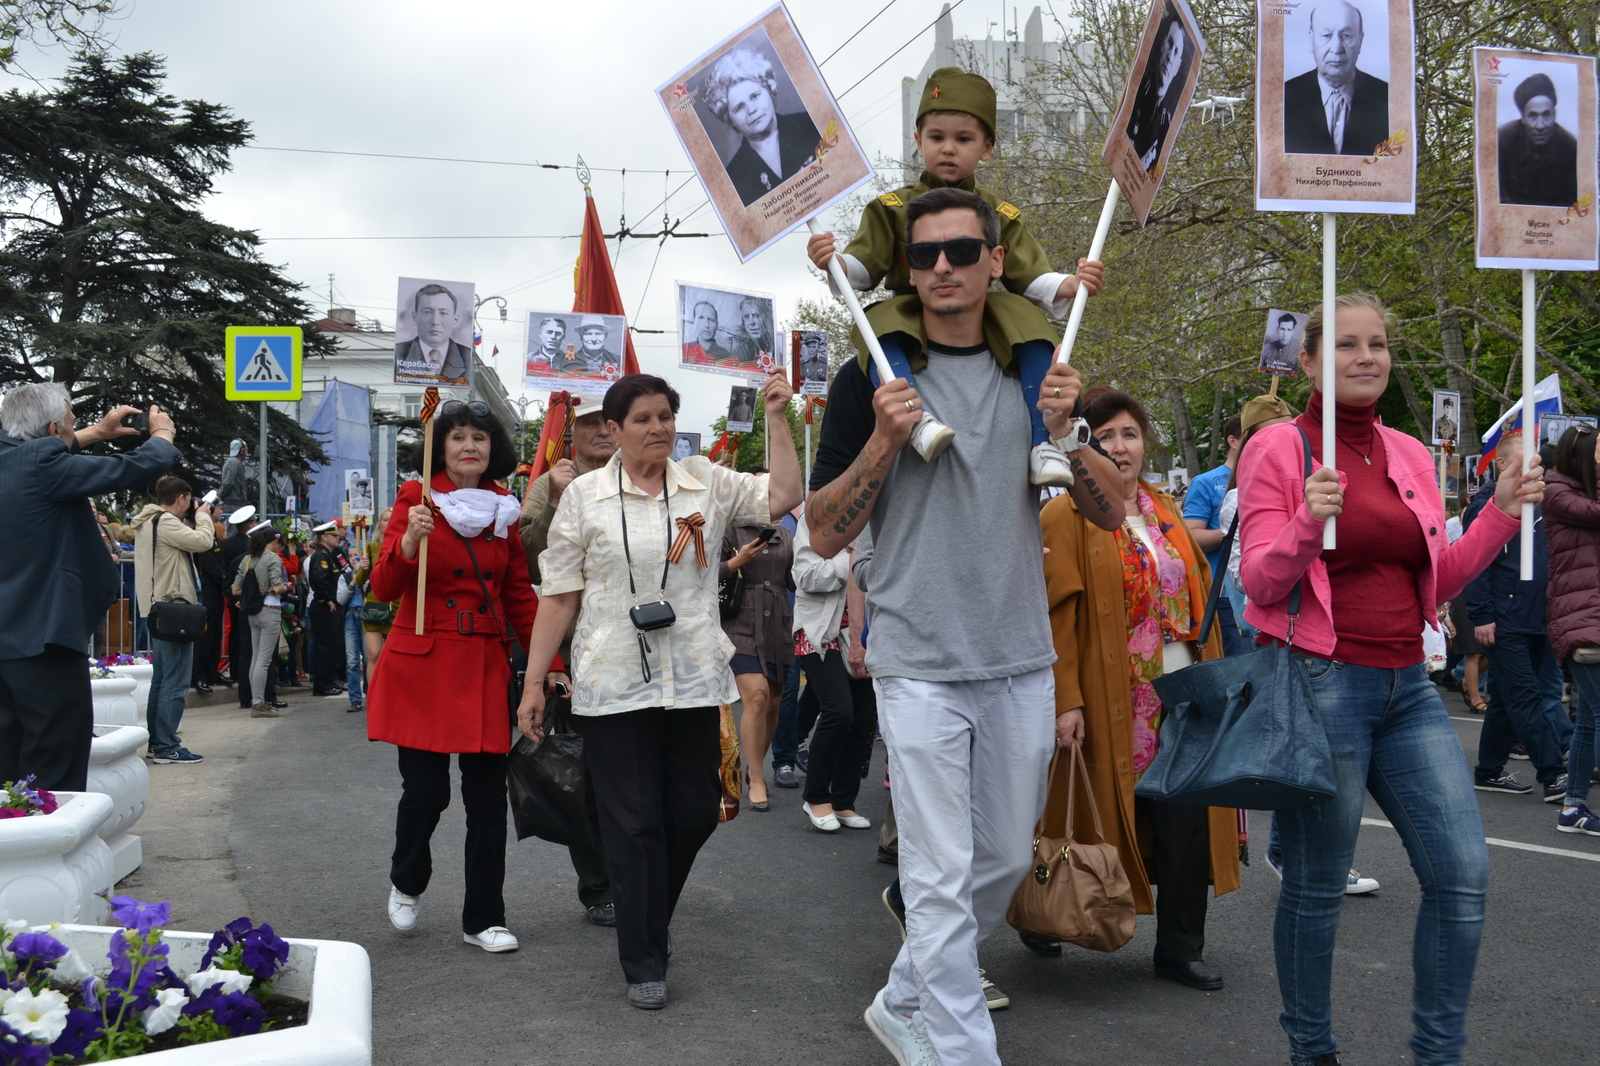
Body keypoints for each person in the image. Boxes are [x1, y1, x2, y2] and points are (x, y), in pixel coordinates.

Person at [805, 187, 1125, 1066]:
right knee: (938, 879)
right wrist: (881, 440)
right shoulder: (869, 373)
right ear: (905, 268)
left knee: (998, 867)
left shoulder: (1036, 367)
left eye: (960, 251)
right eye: (923, 254)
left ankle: (905, 996)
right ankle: (960, 1050)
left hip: (1020, 658)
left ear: (995, 261)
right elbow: (824, 530)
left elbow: (1108, 511)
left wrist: (1070, 430)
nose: (941, 267)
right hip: (915, 660)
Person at [1235, 291, 1544, 1066]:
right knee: (1315, 885)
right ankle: (1312, 1051)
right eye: (1345, 345)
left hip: (1409, 686)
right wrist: (1309, 521)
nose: (1366, 356)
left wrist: (1500, 513)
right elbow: (1261, 586)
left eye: (1376, 344)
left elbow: (1437, 579)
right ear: (1307, 362)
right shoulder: (1278, 449)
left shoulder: (1408, 450)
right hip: (1319, 684)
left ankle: (1437, 1052)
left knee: (1463, 875)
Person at [516, 369, 803, 1009]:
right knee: (633, 822)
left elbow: (783, 494)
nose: (658, 429)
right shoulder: (583, 498)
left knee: (695, 811)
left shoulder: (706, 481)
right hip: (612, 679)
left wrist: (778, 418)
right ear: (612, 430)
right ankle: (645, 954)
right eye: (642, 419)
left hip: (695, 678)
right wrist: (536, 682)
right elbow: (559, 596)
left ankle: (646, 911)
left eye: (665, 416)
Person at [805, 67, 1104, 488]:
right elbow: (864, 265)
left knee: (1030, 323)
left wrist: (1069, 284)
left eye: (963, 139)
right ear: (918, 141)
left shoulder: (999, 213)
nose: (948, 149)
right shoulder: (890, 207)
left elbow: (1029, 274)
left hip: (983, 312)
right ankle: (913, 419)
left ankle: (1044, 441)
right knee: (879, 322)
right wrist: (833, 260)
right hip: (911, 307)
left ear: (987, 148)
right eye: (936, 137)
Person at [1036, 387, 1237, 990]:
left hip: (1179, 692)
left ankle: (1180, 948)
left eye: (1128, 434)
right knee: (1079, 812)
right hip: (1108, 695)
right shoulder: (1063, 513)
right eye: (1103, 438)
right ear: (1081, 448)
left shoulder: (1165, 509)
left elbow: (1197, 593)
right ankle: (1043, 909)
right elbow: (1056, 620)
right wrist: (1065, 698)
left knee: (1186, 822)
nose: (1119, 448)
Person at [369, 398, 562, 955]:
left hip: (482, 665)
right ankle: (407, 879)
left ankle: (484, 916)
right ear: (441, 448)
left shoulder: (505, 507)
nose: (469, 446)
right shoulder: (416, 499)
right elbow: (382, 587)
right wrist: (408, 542)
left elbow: (520, 597)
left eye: (479, 437)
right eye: (456, 437)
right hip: (423, 664)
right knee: (425, 794)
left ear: (492, 448)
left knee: (485, 799)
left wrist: (548, 665)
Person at [0, 386, 178, 791]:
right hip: (44, 639)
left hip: (8, 641)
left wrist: (95, 433)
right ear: (52, 428)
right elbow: (129, 468)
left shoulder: (14, 457)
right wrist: (162, 437)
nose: (73, 432)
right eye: (71, 424)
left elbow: (35, 448)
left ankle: (15, 842)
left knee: (8, 757)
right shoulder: (44, 462)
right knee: (56, 755)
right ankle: (54, 842)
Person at [518, 402, 619, 929]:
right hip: (580, 654)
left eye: (610, 421)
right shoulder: (551, 483)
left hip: (639, 652)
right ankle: (600, 885)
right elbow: (534, 558)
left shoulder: (647, 476)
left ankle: (640, 874)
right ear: (570, 433)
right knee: (591, 778)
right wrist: (556, 500)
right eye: (589, 422)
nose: (603, 430)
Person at [1465, 430, 1569, 803]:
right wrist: (1481, 615)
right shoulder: (1487, 504)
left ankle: (1488, 770)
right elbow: (1476, 563)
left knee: (1510, 700)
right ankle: (1555, 774)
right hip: (1504, 619)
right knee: (1529, 697)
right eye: (1526, 463)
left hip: (1538, 616)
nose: (1534, 470)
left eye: (1537, 463)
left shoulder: (1542, 502)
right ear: (1503, 464)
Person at [790, 515, 875, 831]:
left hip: (866, 633)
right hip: (818, 632)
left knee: (861, 721)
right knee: (839, 712)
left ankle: (843, 802)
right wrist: (852, 560)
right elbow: (805, 576)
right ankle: (815, 797)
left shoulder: (876, 513)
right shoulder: (817, 517)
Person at [131, 475, 222, 765]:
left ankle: (158, 742)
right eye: (189, 500)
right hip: (173, 609)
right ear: (182, 498)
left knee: (162, 679)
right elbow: (203, 541)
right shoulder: (166, 522)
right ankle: (167, 746)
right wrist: (203, 516)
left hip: (160, 608)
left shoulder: (150, 521)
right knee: (176, 680)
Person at [1543, 423, 1600, 834]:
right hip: (1581, 617)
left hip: (1591, 615)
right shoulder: (1558, 492)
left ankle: (1573, 807)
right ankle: (1574, 806)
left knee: (1589, 720)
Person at [719, 516, 794, 811]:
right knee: (757, 696)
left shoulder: (786, 534)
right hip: (740, 621)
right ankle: (759, 780)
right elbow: (703, 573)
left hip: (778, 622)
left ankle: (753, 767)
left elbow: (793, 580)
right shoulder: (729, 529)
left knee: (774, 702)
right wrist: (739, 562)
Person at [702, 47, 821, 206]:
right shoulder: (733, 178)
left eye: (755, 96)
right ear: (729, 119)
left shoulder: (811, 125)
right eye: (739, 108)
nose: (751, 110)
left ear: (769, 90)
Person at [1183, 413, 1252, 656]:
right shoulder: (1205, 482)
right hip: (1224, 596)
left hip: (1262, 592)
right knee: (1240, 677)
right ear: (1233, 441)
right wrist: (1232, 529)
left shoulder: (1267, 476)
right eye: (1250, 435)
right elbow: (1191, 537)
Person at [1283, 0, 1390, 156]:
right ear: (1311, 39)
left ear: (1360, 40)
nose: (1336, 48)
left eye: (1346, 35)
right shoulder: (1283, 97)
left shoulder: (1389, 98)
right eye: (1326, 35)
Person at [1124, 5, 1194, 171]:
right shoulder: (1137, 91)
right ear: (1162, 46)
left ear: (1178, 67)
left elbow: (1155, 172)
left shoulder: (1166, 124)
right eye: (1170, 44)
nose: (1171, 56)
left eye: (1177, 52)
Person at [1497, 71, 1579, 208]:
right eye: (1533, 116)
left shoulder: (1570, 147)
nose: (1540, 126)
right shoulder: (1503, 140)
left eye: (1546, 115)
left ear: (1554, 115)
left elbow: (1572, 201)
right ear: (1523, 117)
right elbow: (1497, 194)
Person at [232, 522, 288, 719]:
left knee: (256, 658)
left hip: (252, 612)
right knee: (264, 660)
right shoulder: (272, 558)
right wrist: (285, 587)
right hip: (270, 610)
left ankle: (256, 701)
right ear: (274, 542)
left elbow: (236, 589)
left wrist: (253, 594)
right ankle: (259, 704)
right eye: (279, 544)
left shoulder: (247, 559)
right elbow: (278, 586)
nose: (279, 548)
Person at [394, 283, 470, 385]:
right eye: (427, 312)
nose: (435, 321)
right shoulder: (399, 354)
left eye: (443, 313)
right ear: (414, 317)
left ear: (455, 319)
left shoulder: (467, 356)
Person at [307, 521, 349, 697]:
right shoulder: (321, 556)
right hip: (324, 606)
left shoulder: (331, 554)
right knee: (325, 647)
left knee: (334, 645)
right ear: (324, 537)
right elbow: (319, 580)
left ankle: (331, 678)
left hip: (333, 605)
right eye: (334, 535)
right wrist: (327, 599)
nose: (338, 537)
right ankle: (322, 684)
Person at [361, 507, 396, 688]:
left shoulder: (403, 543)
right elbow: (360, 580)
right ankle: (373, 698)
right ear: (379, 523)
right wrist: (363, 567)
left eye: (392, 519)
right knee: (373, 654)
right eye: (384, 519)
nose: (388, 522)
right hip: (375, 607)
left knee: (394, 657)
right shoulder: (371, 546)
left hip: (398, 606)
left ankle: (389, 696)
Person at [342, 542, 367, 711]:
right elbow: (341, 599)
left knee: (368, 658)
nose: (353, 559)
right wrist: (352, 582)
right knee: (352, 661)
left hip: (366, 616)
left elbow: (373, 592)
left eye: (356, 556)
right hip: (351, 616)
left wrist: (362, 578)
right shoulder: (343, 576)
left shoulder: (369, 574)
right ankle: (355, 699)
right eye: (351, 556)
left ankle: (370, 694)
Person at [554, 317, 619, 376]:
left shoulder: (617, 360)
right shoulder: (567, 360)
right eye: (588, 334)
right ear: (581, 336)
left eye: (598, 334)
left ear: (605, 336)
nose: (594, 339)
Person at [736, 296, 771, 365]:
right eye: (746, 317)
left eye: (756, 316)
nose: (751, 322)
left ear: (766, 318)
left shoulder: (776, 350)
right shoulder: (740, 352)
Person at [219, 439, 251, 512]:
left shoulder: (231, 461)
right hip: (233, 505)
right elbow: (228, 482)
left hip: (233, 504)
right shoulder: (234, 462)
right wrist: (222, 495)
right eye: (246, 450)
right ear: (242, 451)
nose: (246, 452)